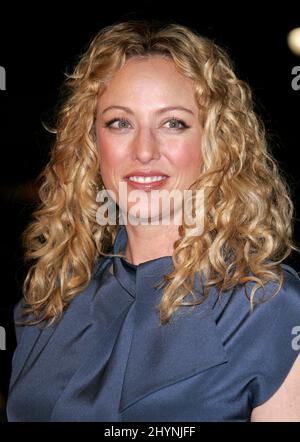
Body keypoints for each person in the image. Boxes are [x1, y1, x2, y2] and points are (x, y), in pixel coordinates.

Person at [6, 19, 300, 422]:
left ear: (216, 142)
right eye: (120, 123)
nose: (144, 151)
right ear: (92, 143)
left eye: (173, 123)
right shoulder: (49, 299)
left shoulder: (268, 307)